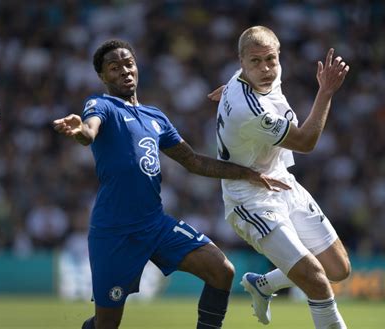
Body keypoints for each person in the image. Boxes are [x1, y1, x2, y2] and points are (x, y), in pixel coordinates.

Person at [53, 39, 290, 329]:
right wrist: (80, 130)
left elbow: (193, 161)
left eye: (129, 64)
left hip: (155, 225)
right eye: (114, 68)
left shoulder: (156, 117)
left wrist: (246, 173)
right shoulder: (101, 105)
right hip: (114, 232)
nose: (125, 71)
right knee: (107, 325)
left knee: (222, 271)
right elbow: (89, 131)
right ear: (103, 77)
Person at [209, 26, 351, 329]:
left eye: (270, 60)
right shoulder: (251, 111)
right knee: (316, 281)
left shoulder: (252, 78)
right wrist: (325, 91)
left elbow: (241, 85)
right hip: (251, 198)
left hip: (281, 180)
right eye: (256, 62)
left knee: (338, 269)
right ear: (241, 62)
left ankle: (264, 284)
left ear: (278, 56)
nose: (266, 69)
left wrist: (228, 90)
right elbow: (305, 143)